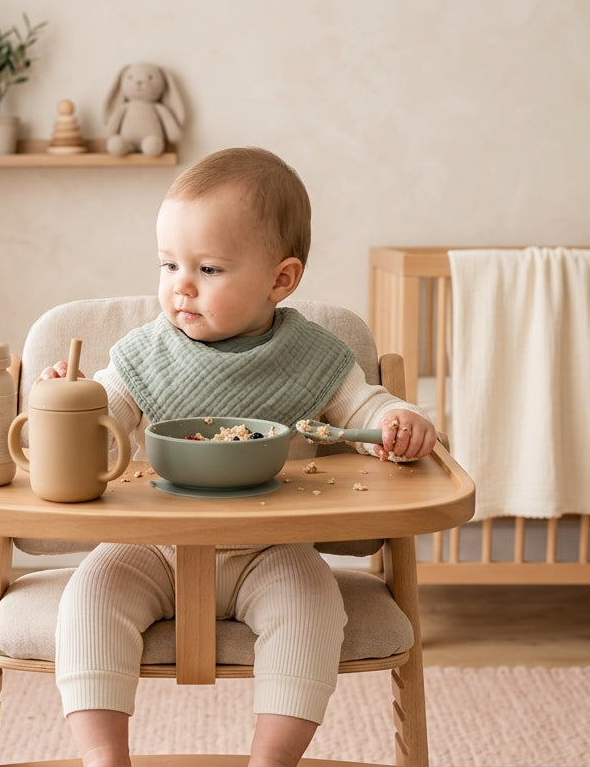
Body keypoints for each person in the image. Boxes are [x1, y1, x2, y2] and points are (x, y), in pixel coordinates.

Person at [38, 146, 437, 767]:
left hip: (270, 546)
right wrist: (70, 401)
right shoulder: (144, 353)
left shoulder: (312, 354)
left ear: (281, 279)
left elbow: (363, 406)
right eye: (168, 264)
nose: (181, 287)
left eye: (210, 269)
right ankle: (103, 760)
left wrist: (397, 421)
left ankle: (271, 761)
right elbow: (100, 422)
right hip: (152, 544)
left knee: (312, 606)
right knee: (89, 598)